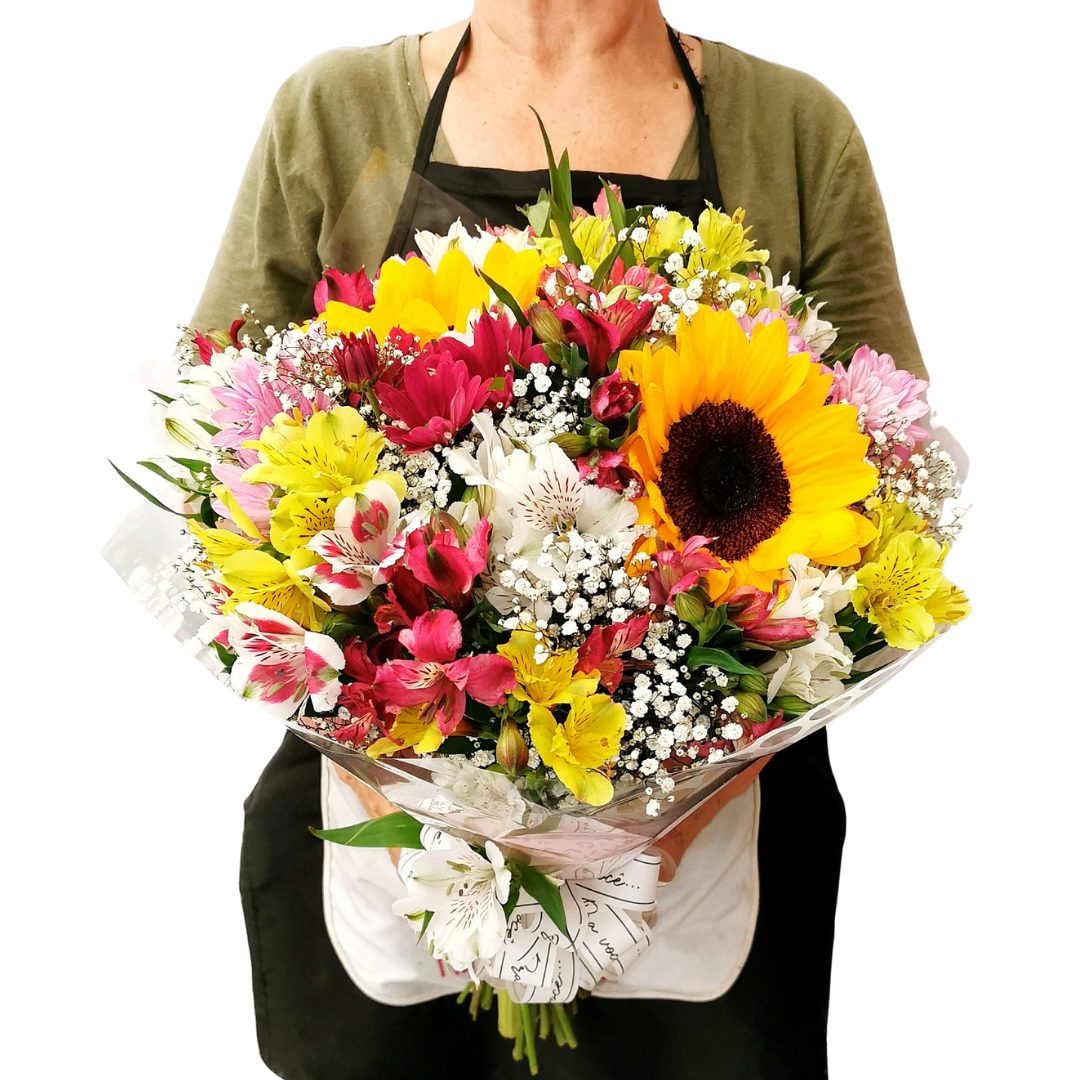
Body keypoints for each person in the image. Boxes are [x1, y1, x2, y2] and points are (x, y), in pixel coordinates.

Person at [193, 3, 925, 1077]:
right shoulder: (335, 115)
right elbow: (221, 459)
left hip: (713, 842)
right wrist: (404, 792)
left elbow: (887, 484)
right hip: (381, 843)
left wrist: (667, 811)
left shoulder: (792, 130)